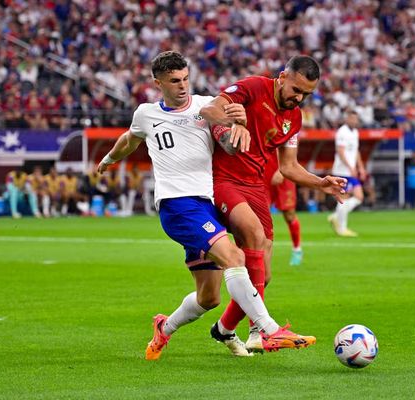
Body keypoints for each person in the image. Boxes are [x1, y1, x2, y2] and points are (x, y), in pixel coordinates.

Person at [97, 51, 316, 360]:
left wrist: (235, 128)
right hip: (178, 205)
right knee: (235, 255)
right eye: (174, 81)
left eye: (186, 78)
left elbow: (225, 136)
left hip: (208, 206)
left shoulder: (205, 106)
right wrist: (108, 159)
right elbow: (128, 141)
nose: (182, 86)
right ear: (157, 82)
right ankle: (267, 329)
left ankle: (165, 328)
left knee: (209, 296)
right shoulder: (145, 114)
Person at [200, 55, 346, 353]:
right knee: (253, 234)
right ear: (282, 77)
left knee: (263, 275)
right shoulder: (254, 87)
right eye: (296, 89)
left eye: (306, 94)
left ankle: (224, 328)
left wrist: (320, 183)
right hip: (224, 179)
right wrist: (233, 122)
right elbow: (209, 109)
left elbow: (289, 167)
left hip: (255, 186)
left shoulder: (294, 118)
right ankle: (262, 331)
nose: (299, 98)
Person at [327, 109, 366, 237]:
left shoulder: (355, 132)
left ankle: (335, 216)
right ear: (346, 119)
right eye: (352, 119)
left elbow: (355, 151)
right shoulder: (342, 132)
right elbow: (340, 151)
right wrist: (350, 167)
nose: (354, 121)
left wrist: (361, 167)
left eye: (355, 119)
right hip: (341, 171)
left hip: (351, 171)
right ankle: (342, 229)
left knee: (359, 197)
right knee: (344, 198)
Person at [264, 153, 303, 266]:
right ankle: (261, 253)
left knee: (289, 215)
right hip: (264, 171)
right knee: (262, 215)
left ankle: (297, 250)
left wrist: (282, 169)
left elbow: (292, 144)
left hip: (283, 171)